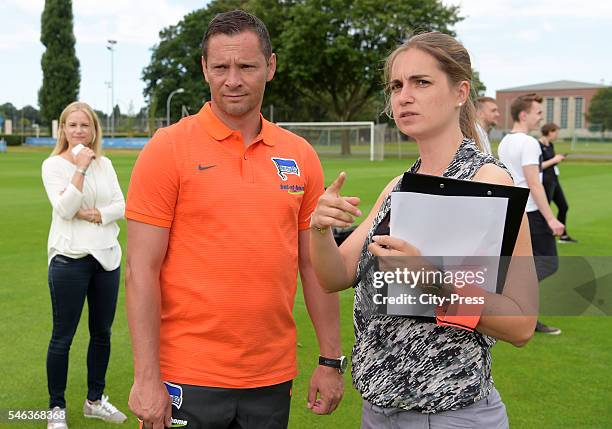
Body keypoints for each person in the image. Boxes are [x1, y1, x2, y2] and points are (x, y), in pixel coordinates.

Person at [125, 10, 343, 429]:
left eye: (246, 66)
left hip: (271, 375)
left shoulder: (299, 155)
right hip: (186, 373)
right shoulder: (168, 149)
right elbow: (140, 271)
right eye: (221, 66)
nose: (233, 79)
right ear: (205, 68)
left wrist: (330, 359)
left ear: (271, 66)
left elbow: (314, 266)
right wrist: (146, 378)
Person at [309, 32, 538, 428]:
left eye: (421, 82)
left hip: (451, 413)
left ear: (460, 92)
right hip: (380, 411)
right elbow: (334, 276)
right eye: (396, 86)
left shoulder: (488, 182)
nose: (404, 96)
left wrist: (433, 280)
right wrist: (319, 229)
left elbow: (521, 324)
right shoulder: (398, 185)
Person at [41, 101, 127, 429]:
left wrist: (94, 214)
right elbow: (64, 210)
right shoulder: (53, 166)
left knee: (102, 333)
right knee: (63, 337)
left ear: (94, 130)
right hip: (69, 260)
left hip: (106, 258)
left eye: (85, 125)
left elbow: (121, 204)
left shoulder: (104, 164)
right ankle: (56, 409)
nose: (78, 130)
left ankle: (94, 400)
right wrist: (79, 168)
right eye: (72, 125)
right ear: (62, 129)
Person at [498, 95, 564, 335]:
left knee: (528, 264)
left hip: (513, 211)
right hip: (530, 213)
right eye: (537, 113)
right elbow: (534, 185)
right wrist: (551, 219)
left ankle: (515, 303)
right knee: (548, 263)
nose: (541, 118)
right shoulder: (529, 143)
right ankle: (519, 307)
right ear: (523, 115)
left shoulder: (505, 141)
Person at [539, 122, 577, 243]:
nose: (557, 134)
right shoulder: (537, 145)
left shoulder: (550, 145)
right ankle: (543, 236)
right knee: (545, 209)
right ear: (550, 131)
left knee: (564, 206)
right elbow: (538, 166)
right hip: (545, 181)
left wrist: (557, 159)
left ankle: (563, 235)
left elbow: (551, 161)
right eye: (556, 131)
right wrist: (554, 160)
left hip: (554, 179)